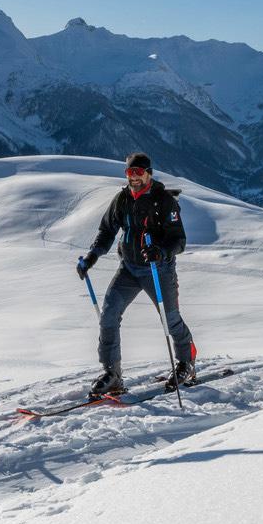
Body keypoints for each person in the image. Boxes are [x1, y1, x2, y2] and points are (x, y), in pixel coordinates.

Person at [75, 152, 195, 397]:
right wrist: (92, 256)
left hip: (158, 270)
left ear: (149, 173)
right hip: (129, 268)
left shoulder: (164, 201)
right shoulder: (122, 199)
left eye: (139, 172)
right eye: (130, 172)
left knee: (170, 319)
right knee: (109, 315)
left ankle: (187, 363)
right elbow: (107, 231)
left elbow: (179, 241)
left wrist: (161, 252)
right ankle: (112, 374)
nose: (134, 177)